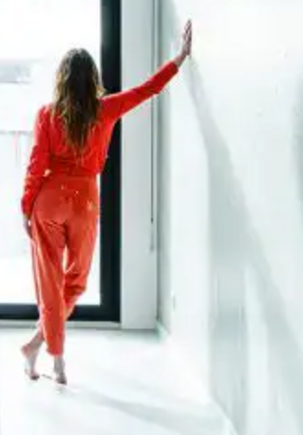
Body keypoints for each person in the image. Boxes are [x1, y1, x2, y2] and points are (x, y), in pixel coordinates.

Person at [18, 20, 194, 384]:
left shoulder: (47, 115)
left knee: (49, 282)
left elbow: (36, 164)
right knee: (75, 282)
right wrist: (179, 59)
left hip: (48, 201)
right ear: (91, 78)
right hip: (84, 200)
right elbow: (148, 90)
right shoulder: (106, 110)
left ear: (62, 80)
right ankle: (49, 354)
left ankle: (47, 350)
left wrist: (26, 206)